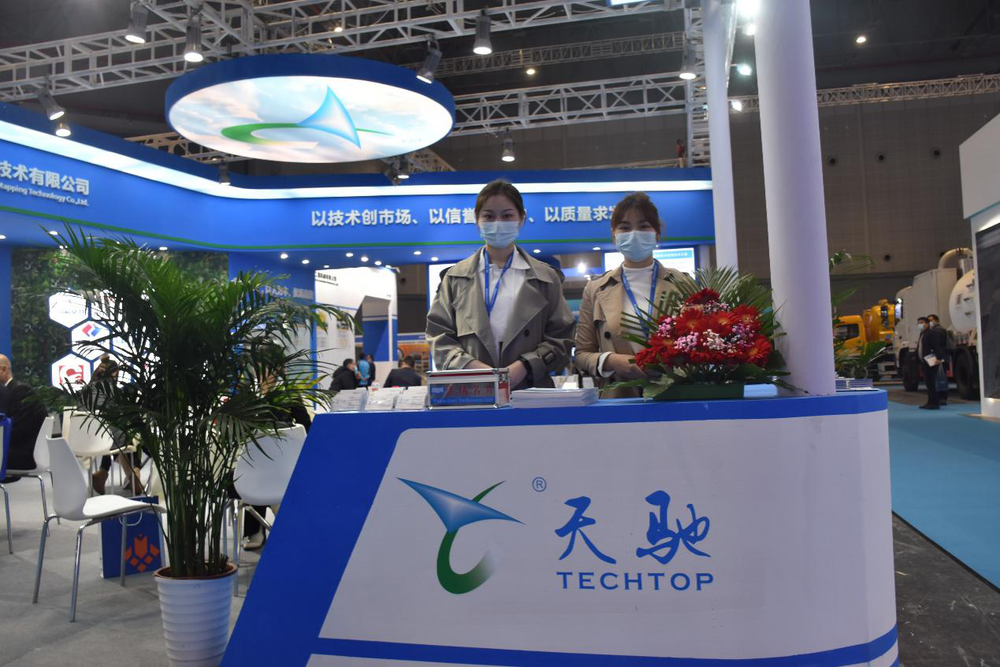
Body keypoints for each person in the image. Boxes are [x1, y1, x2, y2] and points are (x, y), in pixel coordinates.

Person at [426, 179, 575, 389]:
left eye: (507, 216)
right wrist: (472, 368)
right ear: (477, 220)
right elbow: (439, 336)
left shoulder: (546, 278)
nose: (498, 223)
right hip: (472, 390)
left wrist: (525, 366)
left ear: (521, 218)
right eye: (489, 216)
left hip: (530, 390)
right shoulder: (454, 278)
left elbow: (562, 338)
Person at [575, 192, 686, 398]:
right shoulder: (596, 289)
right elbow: (581, 354)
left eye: (643, 226)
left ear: (657, 233)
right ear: (614, 235)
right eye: (625, 227)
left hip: (675, 395)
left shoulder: (682, 283)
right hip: (620, 397)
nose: (634, 234)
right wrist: (610, 360)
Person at [0, 354, 48, 481]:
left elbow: (18, 430)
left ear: (4, 370)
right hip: (17, 450)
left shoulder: (21, 391)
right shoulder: (11, 391)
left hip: (26, 454)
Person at [917, 315, 948, 410]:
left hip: (931, 359)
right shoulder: (922, 334)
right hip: (924, 360)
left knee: (931, 382)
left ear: (927, 324)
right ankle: (930, 401)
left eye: (921, 322)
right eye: (918, 323)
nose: (919, 325)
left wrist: (938, 358)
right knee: (928, 382)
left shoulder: (932, 333)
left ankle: (934, 402)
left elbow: (937, 346)